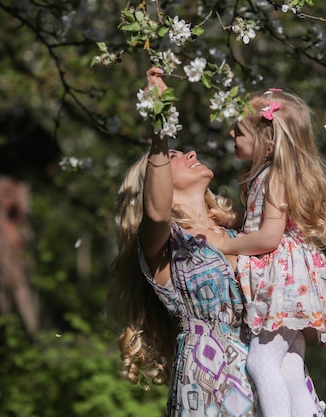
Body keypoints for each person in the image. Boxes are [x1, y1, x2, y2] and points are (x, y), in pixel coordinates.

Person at [107, 67, 258, 417]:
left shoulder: (241, 231)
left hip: (265, 374)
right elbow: (158, 213)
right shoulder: (162, 243)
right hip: (208, 384)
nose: (189, 153)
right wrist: (160, 127)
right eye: (173, 157)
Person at [219, 89, 326, 417]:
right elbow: (260, 223)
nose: (231, 135)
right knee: (290, 366)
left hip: (285, 280)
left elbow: (267, 237)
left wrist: (226, 243)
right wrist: (231, 220)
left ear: (267, 138)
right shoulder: (269, 175)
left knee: (260, 362)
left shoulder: (275, 176)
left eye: (239, 130)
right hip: (289, 279)